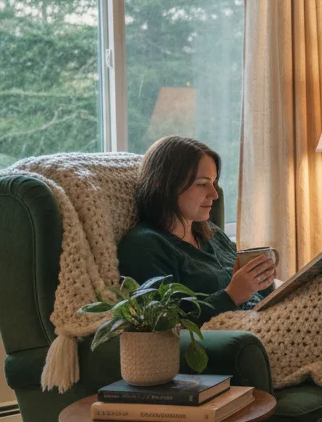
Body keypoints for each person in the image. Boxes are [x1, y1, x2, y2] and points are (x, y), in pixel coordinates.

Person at [117, 136, 277, 323]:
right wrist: (231, 296)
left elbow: (257, 295)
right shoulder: (144, 246)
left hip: (264, 318)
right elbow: (164, 322)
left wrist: (264, 280)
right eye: (202, 184)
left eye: (214, 182)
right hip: (234, 334)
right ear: (164, 186)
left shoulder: (213, 234)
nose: (214, 194)